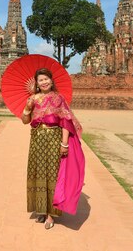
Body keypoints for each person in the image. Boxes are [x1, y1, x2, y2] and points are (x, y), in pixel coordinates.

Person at [21, 67, 85, 230]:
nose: (44, 82)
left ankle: (50, 214)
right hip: (37, 140)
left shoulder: (58, 98)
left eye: (46, 79)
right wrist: (27, 108)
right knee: (38, 173)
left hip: (54, 139)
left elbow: (65, 122)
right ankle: (41, 210)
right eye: (40, 80)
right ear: (36, 83)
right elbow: (25, 121)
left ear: (51, 80)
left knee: (52, 175)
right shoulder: (33, 99)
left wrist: (64, 144)